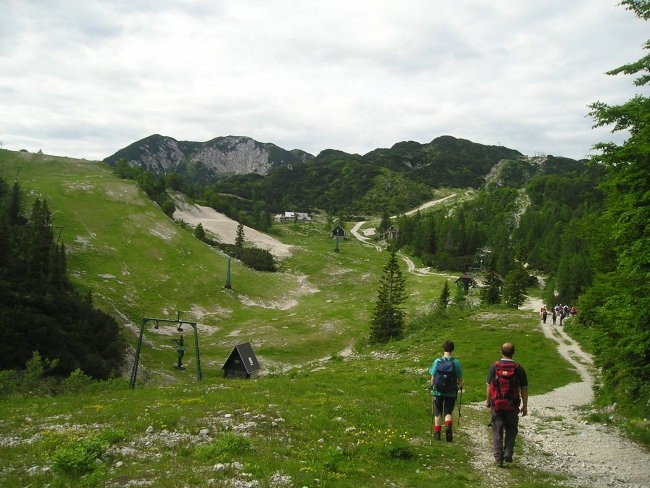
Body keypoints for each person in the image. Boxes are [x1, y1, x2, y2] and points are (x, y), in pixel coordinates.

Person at [485, 342, 528, 467]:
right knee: (512, 429)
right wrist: (524, 406)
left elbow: (489, 386)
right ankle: (508, 452)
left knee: (497, 430)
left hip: (497, 404)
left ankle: (499, 458)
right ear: (513, 352)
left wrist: (488, 401)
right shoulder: (518, 368)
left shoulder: (495, 367)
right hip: (512, 405)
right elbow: (524, 389)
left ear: (501, 352)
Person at [429, 340, 464, 442]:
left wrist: (432, 389)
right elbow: (460, 380)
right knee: (448, 411)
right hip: (451, 392)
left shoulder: (437, 361)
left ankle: (437, 434)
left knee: (438, 411)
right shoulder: (456, 362)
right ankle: (448, 428)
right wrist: (459, 387)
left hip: (437, 391)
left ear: (443, 348)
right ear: (452, 349)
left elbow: (432, 378)